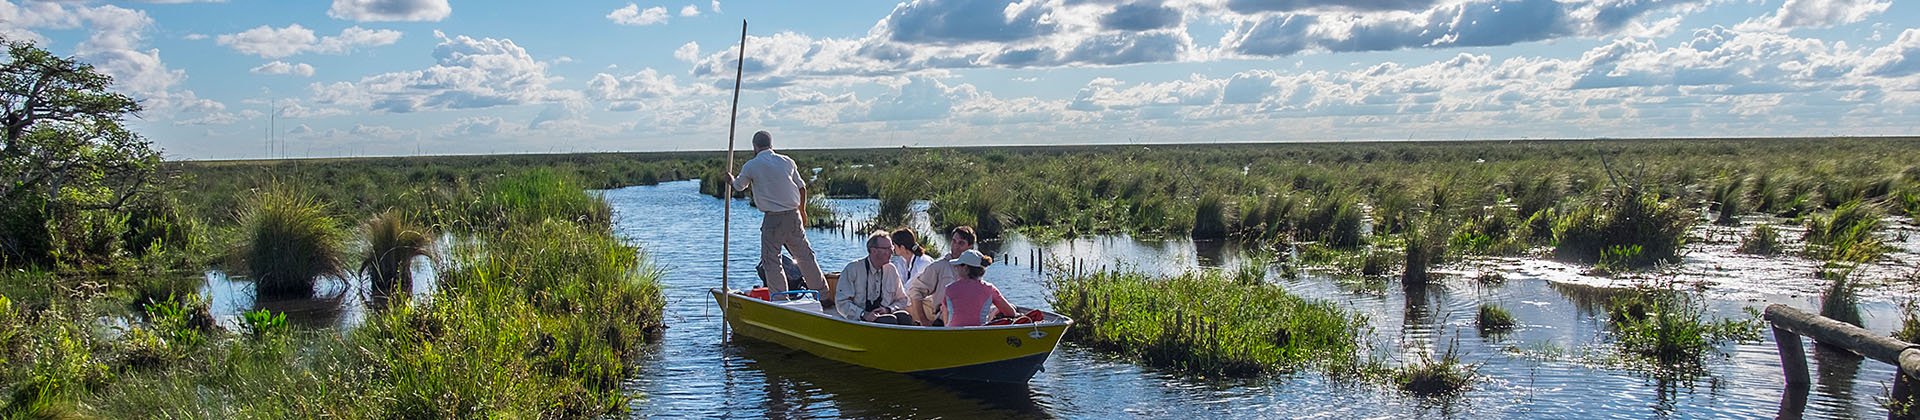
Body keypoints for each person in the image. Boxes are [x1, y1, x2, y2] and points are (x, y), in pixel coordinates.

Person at [727, 130, 829, 305]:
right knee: (805, 257)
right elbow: (802, 187)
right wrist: (802, 211)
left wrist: (730, 179)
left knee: (772, 260)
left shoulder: (751, 165)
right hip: (793, 215)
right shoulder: (787, 161)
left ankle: (781, 301)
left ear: (755, 146)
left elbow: (739, 186)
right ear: (771, 144)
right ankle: (824, 296)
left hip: (773, 219)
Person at [835, 232, 912, 325]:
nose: (892, 252)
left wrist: (888, 309)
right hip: (860, 321)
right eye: (887, 249)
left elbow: (903, 300)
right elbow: (841, 303)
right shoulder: (853, 269)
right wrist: (863, 314)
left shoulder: (891, 270)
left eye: (891, 248)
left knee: (905, 317)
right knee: (890, 320)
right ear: (874, 251)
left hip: (885, 316)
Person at [906, 226, 974, 326]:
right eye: (954, 241)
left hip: (970, 319)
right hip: (944, 320)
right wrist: (924, 321)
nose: (956, 246)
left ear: (970, 246)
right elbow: (915, 290)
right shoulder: (939, 267)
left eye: (961, 243)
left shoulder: (975, 267)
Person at [932, 249, 1017, 327]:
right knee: (1006, 308)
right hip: (979, 334)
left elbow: (946, 319)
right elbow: (1011, 313)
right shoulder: (990, 289)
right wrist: (995, 312)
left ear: (965, 268)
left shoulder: (949, 289)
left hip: (953, 334)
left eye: (959, 265)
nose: (956, 267)